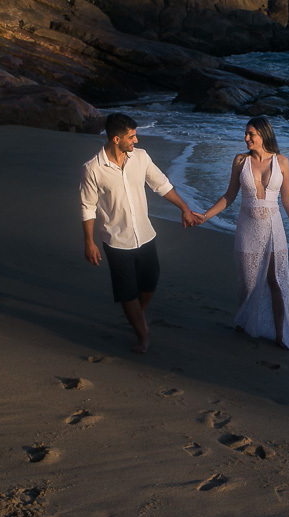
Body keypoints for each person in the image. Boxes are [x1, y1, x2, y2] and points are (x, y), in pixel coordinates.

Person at [80, 113, 203, 353]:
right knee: (126, 293)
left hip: (145, 235)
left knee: (149, 284)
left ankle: (138, 314)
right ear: (116, 139)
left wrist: (185, 208)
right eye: (131, 136)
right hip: (116, 240)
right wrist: (89, 242)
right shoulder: (93, 169)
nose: (136, 140)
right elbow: (87, 207)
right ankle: (142, 333)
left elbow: (162, 185)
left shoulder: (141, 158)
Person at [201, 117, 289, 350]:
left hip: (273, 228)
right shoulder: (240, 161)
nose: (246, 138)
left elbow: (287, 198)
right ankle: (244, 321)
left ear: (264, 135)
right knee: (247, 282)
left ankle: (279, 334)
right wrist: (205, 216)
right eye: (246, 133)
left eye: (251, 134)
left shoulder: (282, 162)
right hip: (247, 227)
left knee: (275, 280)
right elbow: (229, 196)